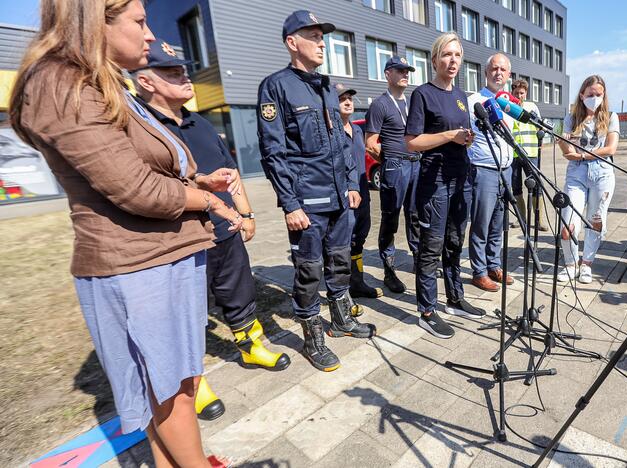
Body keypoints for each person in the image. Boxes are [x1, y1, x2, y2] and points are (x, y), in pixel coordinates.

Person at [10, 1, 241, 465]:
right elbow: (136, 189)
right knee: (171, 388)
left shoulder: (101, 83)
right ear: (96, 19)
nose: (151, 35)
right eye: (139, 21)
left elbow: (137, 168)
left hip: (160, 256)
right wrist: (210, 201)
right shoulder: (62, 83)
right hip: (137, 265)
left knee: (175, 385)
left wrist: (197, 183)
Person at [131, 41, 292, 421]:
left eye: (184, 69)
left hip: (225, 230)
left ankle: (252, 347)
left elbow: (231, 173)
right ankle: (194, 381)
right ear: (145, 81)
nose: (185, 76)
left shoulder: (200, 122)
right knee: (188, 313)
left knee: (239, 292)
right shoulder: (142, 127)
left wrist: (247, 214)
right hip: (178, 239)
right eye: (172, 72)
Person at [257, 10, 375, 372]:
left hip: (341, 198)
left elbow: (341, 140)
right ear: (293, 43)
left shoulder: (326, 85)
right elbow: (273, 151)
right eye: (313, 36)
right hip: (307, 203)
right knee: (308, 270)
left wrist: (353, 184)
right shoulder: (276, 86)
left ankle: (340, 320)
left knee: (339, 262)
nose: (322, 43)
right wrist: (290, 204)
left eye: (322, 37)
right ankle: (312, 338)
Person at [405, 32, 484, 339]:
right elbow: (412, 142)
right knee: (431, 247)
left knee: (454, 241)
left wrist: (464, 139)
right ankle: (426, 310)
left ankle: (454, 298)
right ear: (435, 59)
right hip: (434, 182)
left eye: (457, 56)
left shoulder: (462, 97)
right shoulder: (422, 94)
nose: (453, 61)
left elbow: (459, 134)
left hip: (461, 177)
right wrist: (450, 136)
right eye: (447, 55)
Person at [365, 56, 421, 294]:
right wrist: (389, 161)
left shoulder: (411, 103)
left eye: (407, 70)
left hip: (416, 165)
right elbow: (370, 143)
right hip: (395, 167)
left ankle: (420, 260)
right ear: (388, 74)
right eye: (400, 70)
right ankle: (389, 270)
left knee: (416, 215)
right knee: (390, 218)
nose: (405, 74)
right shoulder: (380, 104)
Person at [556, 75, 620, 284]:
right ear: (582, 95)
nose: (594, 98)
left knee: (595, 220)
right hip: (576, 174)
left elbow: (611, 148)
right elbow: (566, 149)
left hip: (602, 173)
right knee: (568, 220)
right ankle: (570, 263)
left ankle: (586, 264)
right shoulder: (571, 118)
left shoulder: (611, 116)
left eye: (598, 94)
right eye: (590, 94)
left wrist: (582, 154)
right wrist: (566, 145)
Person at [466, 53, 515, 292]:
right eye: (494, 68)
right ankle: (479, 271)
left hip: (505, 169)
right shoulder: (474, 100)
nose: (498, 73)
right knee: (481, 223)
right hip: (483, 169)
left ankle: (494, 265)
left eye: (503, 70)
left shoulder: (509, 103)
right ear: (486, 72)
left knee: (499, 221)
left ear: (508, 75)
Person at [334, 83, 383, 301]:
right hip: (343, 198)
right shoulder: (330, 132)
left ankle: (357, 282)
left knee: (359, 239)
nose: (347, 102)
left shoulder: (356, 130)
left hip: (363, 193)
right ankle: (341, 291)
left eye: (350, 98)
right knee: (341, 243)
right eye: (341, 98)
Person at [509, 79, 547, 231]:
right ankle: (521, 218)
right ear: (512, 92)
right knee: (516, 187)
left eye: (522, 93)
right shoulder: (508, 108)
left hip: (531, 153)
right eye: (517, 93)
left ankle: (539, 220)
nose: (519, 95)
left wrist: (540, 141)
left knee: (536, 185)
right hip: (513, 155)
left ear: (526, 93)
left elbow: (541, 127)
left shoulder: (532, 107)